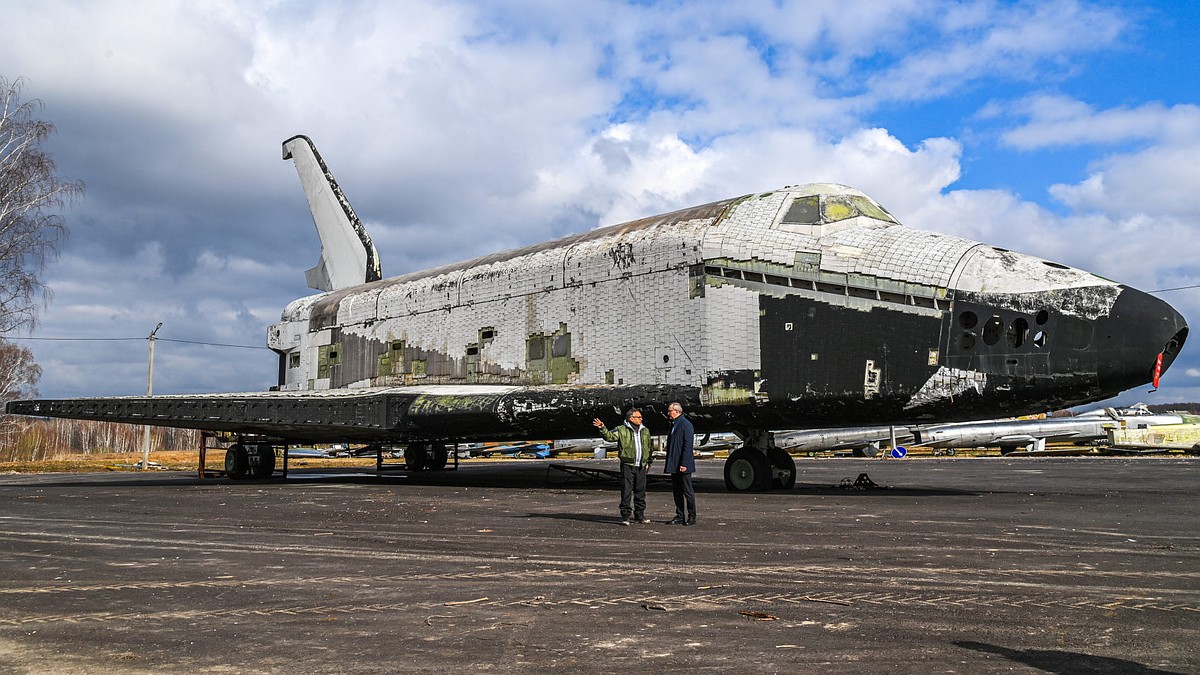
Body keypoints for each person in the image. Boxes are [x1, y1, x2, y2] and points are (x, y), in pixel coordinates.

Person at [593, 409, 652, 526]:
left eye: (641, 417)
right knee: (626, 490)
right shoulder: (621, 429)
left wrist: (649, 461)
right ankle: (625, 516)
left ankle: (640, 515)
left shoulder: (645, 431)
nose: (641, 419)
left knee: (640, 491)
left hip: (641, 465)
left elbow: (649, 447)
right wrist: (602, 428)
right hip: (627, 465)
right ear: (631, 418)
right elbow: (609, 437)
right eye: (638, 417)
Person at [664, 401, 696, 525]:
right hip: (674, 463)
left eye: (670, 411)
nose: (668, 413)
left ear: (677, 411)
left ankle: (692, 516)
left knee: (687, 491)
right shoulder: (673, 424)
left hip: (683, 464)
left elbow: (687, 445)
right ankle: (679, 515)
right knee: (677, 491)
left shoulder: (685, 424)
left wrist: (684, 463)